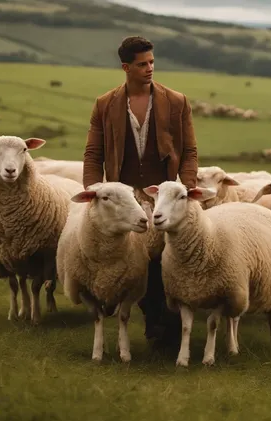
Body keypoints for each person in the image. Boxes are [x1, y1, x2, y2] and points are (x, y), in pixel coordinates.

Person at [82, 36, 198, 350]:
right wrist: (94, 192)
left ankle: (168, 326)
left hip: (164, 197)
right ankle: (154, 322)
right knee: (137, 263)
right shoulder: (105, 104)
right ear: (125, 67)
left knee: (168, 261)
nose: (149, 69)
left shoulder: (176, 101)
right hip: (126, 199)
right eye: (141, 64)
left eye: (151, 62)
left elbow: (189, 152)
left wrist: (183, 188)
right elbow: (93, 154)